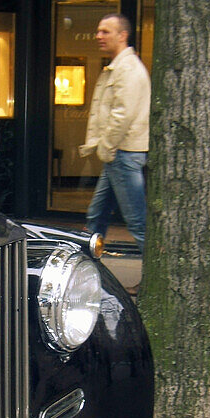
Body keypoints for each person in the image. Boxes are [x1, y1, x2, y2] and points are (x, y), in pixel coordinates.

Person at [80, 13, 150, 253]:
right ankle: (88, 272)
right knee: (96, 217)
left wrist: (107, 147)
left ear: (123, 35)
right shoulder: (120, 67)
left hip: (123, 153)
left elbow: (122, 114)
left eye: (105, 31)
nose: (98, 36)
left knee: (137, 222)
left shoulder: (128, 69)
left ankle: (155, 280)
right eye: (98, 31)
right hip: (119, 154)